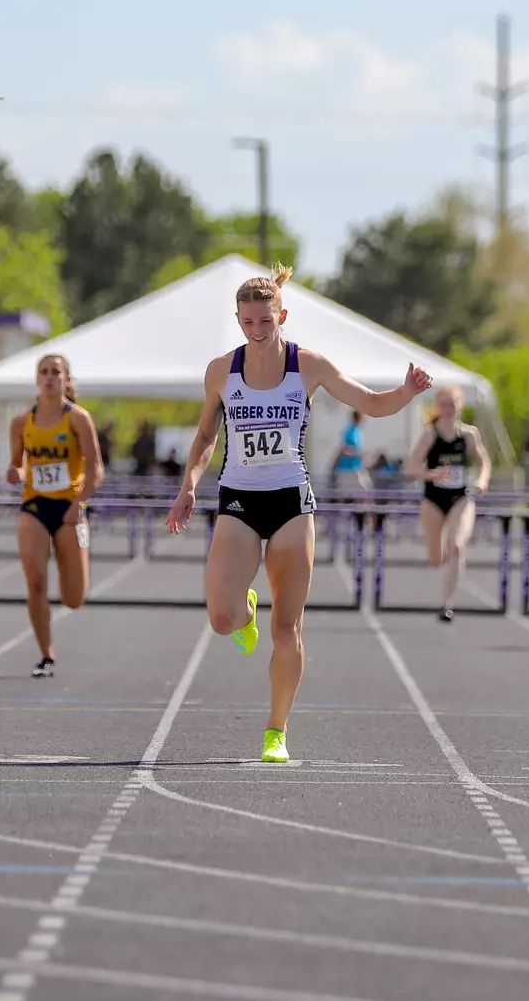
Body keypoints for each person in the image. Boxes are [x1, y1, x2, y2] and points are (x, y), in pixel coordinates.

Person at [166, 265, 433, 763]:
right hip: (239, 499)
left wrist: (408, 392)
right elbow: (205, 436)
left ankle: (276, 730)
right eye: (248, 321)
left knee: (286, 628)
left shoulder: (307, 365)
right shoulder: (221, 370)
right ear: (238, 320)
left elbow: (372, 403)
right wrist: (189, 486)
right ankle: (245, 609)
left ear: (282, 316)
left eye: (265, 321)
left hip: (291, 501)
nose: (257, 330)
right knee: (222, 618)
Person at [8, 354, 104, 679]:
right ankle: (46, 654)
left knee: (74, 598)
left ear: (66, 379)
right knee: (35, 581)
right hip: (35, 506)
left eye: (55, 372)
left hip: (69, 508)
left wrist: (79, 504)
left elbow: (96, 471)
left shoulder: (78, 418)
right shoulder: (21, 422)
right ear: (37, 379)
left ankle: (75, 580)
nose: (49, 377)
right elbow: (18, 464)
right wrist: (16, 472)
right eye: (44, 372)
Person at [405, 385, 492, 622]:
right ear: (437, 407)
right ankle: (440, 558)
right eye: (443, 404)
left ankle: (447, 605)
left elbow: (484, 462)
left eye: (452, 404)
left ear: (460, 406)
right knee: (436, 559)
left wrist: (482, 481)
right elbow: (411, 468)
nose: (448, 409)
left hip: (460, 498)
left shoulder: (469, 435)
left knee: (456, 546)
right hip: (433, 499)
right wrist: (432, 474)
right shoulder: (430, 434)